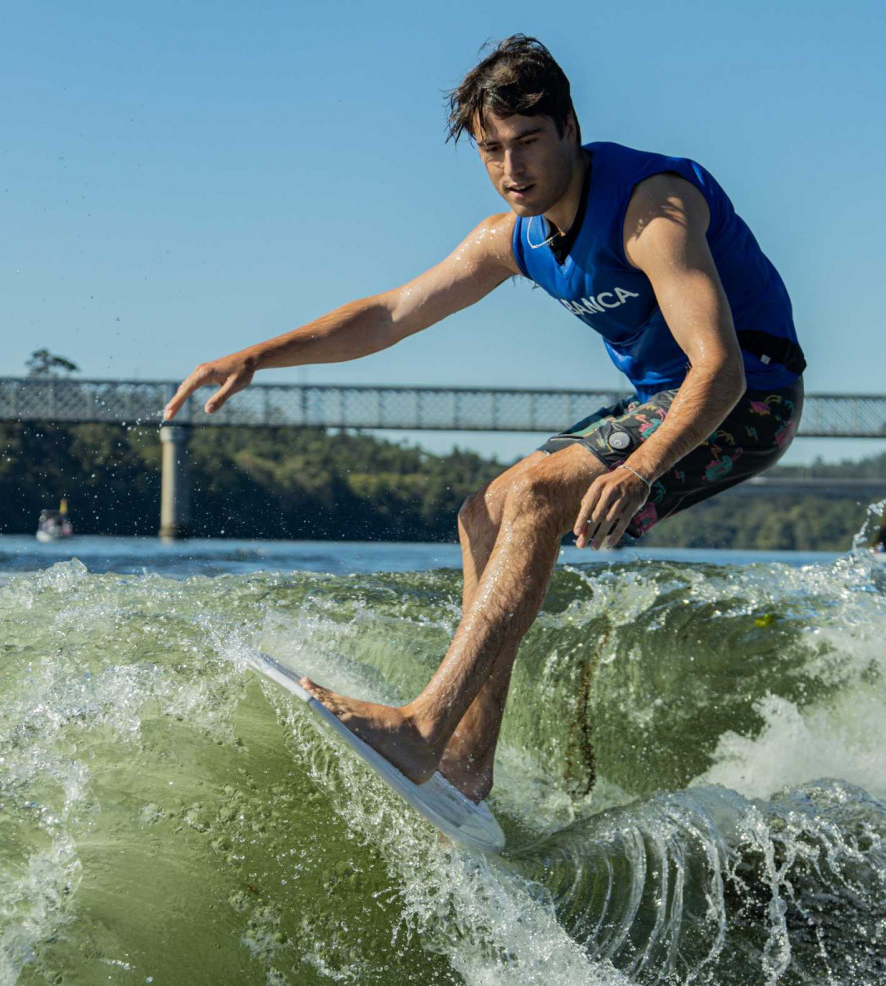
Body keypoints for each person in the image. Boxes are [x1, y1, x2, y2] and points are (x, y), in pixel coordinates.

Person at [163, 36, 806, 803]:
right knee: (484, 515)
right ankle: (466, 765)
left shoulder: (650, 210)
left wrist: (639, 469)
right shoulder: (515, 237)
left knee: (534, 491)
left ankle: (420, 729)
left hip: (749, 398)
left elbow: (720, 370)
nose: (512, 168)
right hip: (660, 399)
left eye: (529, 141)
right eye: (491, 149)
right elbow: (391, 314)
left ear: (569, 127)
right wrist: (260, 355)